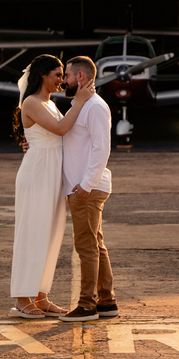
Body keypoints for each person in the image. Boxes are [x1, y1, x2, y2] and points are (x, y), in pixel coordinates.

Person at [10, 55, 96, 319]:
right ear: (43, 75)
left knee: (50, 235)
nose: (62, 80)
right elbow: (60, 130)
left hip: (51, 174)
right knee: (31, 234)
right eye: (57, 75)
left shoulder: (49, 103)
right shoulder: (32, 102)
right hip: (37, 174)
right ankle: (22, 298)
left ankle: (41, 295)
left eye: (62, 75)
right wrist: (80, 101)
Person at [57, 55, 117, 322]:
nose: (63, 81)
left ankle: (86, 305)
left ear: (80, 77)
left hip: (87, 188)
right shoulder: (81, 105)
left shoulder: (94, 106)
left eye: (67, 76)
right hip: (84, 187)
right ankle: (106, 301)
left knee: (86, 247)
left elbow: (101, 148)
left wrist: (85, 184)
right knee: (96, 245)